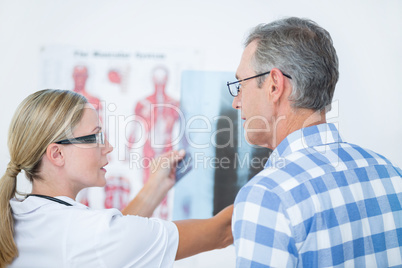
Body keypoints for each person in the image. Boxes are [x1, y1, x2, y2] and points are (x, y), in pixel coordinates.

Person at [228, 17, 402, 267]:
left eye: (240, 85)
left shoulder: (268, 197)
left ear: (274, 85)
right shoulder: (392, 175)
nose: (236, 101)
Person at [0, 89, 233, 267]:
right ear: (57, 154)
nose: (108, 147)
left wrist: (157, 185)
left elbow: (114, 238)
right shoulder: (90, 234)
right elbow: (222, 232)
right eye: (95, 137)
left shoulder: (14, 215)